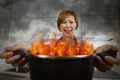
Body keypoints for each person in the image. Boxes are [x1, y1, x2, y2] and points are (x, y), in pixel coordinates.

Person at [0, 10, 120, 72]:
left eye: (71, 22)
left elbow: (92, 60)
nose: (67, 25)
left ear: (76, 25)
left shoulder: (84, 49)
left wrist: (98, 59)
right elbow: (39, 56)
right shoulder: (50, 48)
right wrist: (28, 54)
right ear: (59, 26)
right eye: (63, 22)